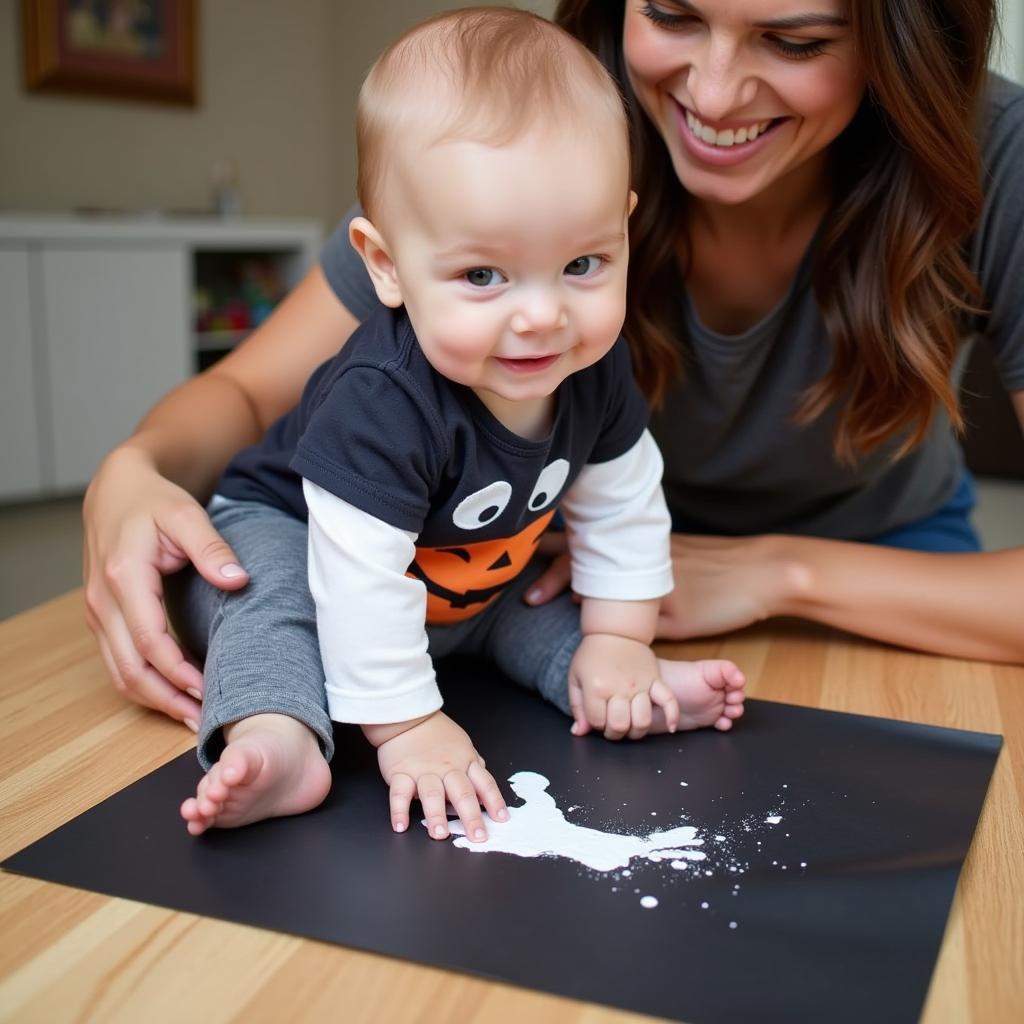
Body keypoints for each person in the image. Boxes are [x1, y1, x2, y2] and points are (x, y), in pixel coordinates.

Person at [83, 0, 1024, 739]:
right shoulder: (514, 135)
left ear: (897, 45)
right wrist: (137, 466)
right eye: (672, 14)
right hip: (567, 578)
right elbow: (251, 393)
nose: (718, 91)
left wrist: (780, 575)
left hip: (890, 585)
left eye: (794, 39)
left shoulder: (996, 153)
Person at [173, 8, 746, 838]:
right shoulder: (383, 400)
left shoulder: (594, 366)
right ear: (386, 266)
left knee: (532, 610)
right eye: (484, 275)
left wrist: (622, 634)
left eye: (583, 265)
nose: (544, 316)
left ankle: (616, 687)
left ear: (623, 229)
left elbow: (623, 500)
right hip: (295, 535)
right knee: (272, 606)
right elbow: (362, 581)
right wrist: (408, 727)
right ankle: (279, 734)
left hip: (454, 580)